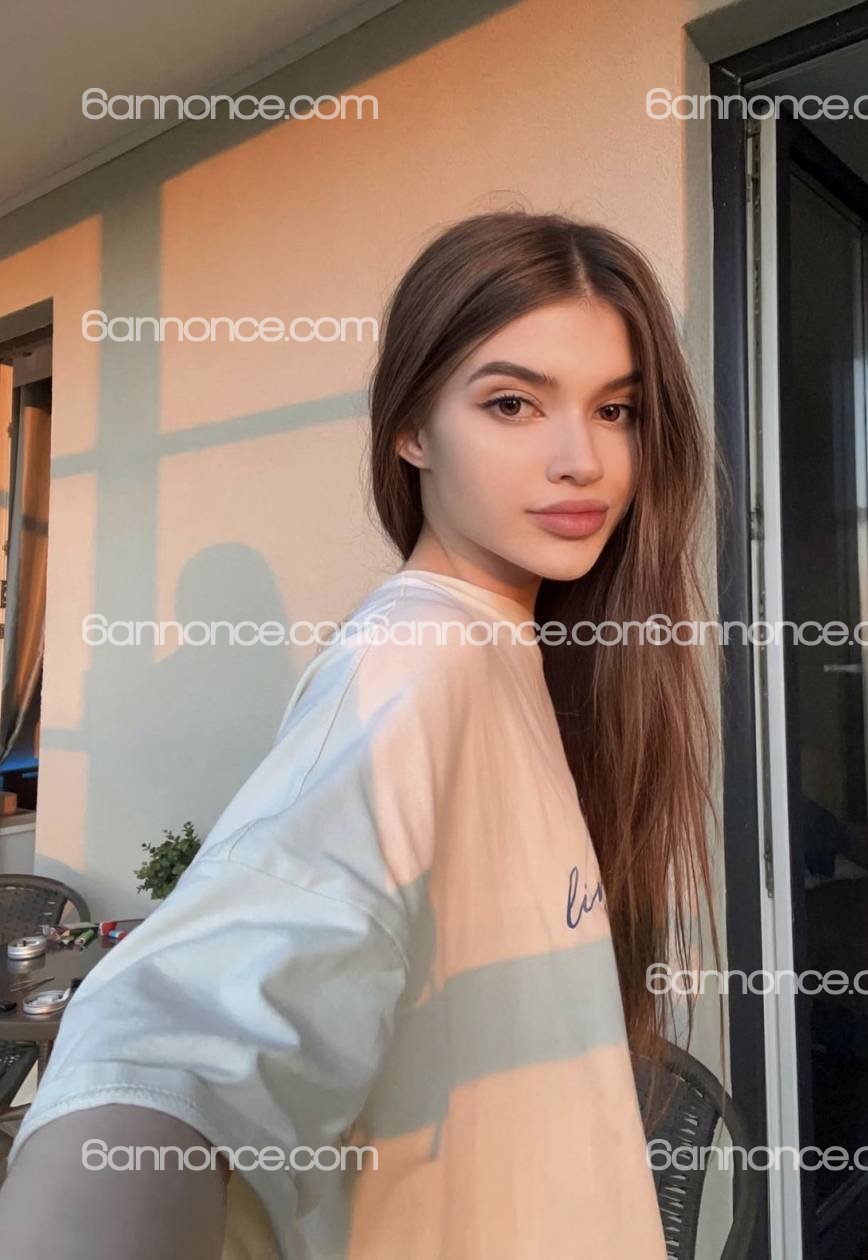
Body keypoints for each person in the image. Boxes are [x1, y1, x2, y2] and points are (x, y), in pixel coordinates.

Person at [0, 211, 718, 1258]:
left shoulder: (510, 648)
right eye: (512, 403)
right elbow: (190, 1027)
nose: (583, 460)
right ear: (411, 429)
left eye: (615, 410)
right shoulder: (418, 656)